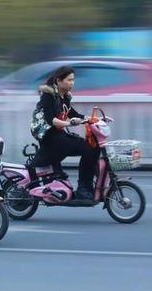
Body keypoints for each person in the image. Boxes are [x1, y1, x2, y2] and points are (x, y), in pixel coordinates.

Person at [30, 66, 100, 201]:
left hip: (58, 133)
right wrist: (69, 124)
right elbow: (51, 120)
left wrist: (94, 119)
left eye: (73, 80)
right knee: (84, 147)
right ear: (58, 81)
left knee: (92, 148)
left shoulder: (65, 96)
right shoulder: (48, 95)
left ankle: (85, 186)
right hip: (48, 135)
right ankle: (83, 189)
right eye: (69, 80)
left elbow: (72, 113)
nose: (72, 83)